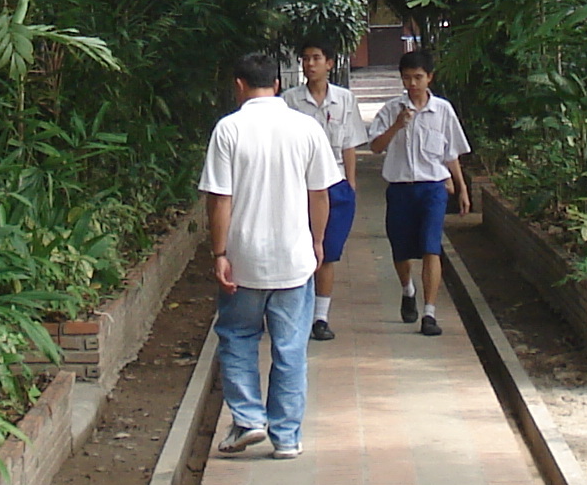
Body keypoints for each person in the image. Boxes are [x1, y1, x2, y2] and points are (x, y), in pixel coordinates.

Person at [200, 48, 338, 458]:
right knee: (291, 346)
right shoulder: (306, 127)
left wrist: (219, 252)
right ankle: (287, 437)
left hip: (244, 260)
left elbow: (220, 199)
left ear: (239, 85)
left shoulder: (229, 130)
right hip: (294, 260)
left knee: (237, 336)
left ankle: (248, 419)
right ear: (277, 85)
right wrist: (316, 242)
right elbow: (320, 194)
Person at [365, 48, 470, 336]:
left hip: (433, 188)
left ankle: (430, 313)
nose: (412, 84)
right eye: (407, 78)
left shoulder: (443, 111)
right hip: (400, 188)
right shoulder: (391, 110)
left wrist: (460, 188)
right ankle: (407, 289)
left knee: (430, 247)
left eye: (418, 77)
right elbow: (375, 146)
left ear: (430, 78)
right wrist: (398, 125)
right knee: (401, 249)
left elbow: (451, 154)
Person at [286, 40, 363, 341]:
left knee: (327, 252)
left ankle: (320, 316)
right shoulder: (290, 100)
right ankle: (297, 312)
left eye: (316, 58)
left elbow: (350, 144)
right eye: (305, 59)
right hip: (301, 185)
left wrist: (351, 184)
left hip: (336, 183)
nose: (310, 64)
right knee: (301, 249)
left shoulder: (344, 100)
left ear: (330, 63)